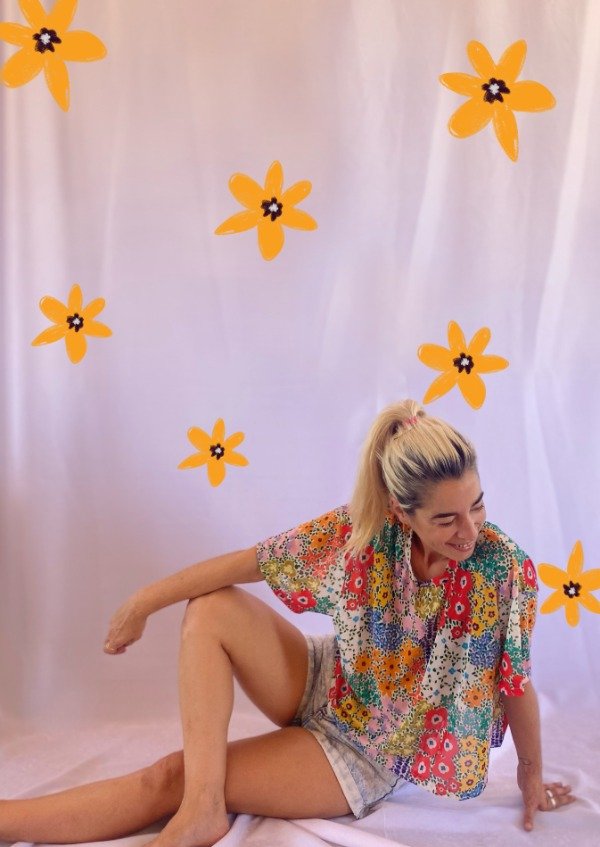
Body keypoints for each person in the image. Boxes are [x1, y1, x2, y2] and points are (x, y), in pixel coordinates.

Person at [0, 400, 576, 847]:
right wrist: (143, 603)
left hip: (371, 749)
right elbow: (250, 562)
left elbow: (514, 681)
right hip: (330, 677)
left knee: (169, 777)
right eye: (447, 518)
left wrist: (530, 774)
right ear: (401, 512)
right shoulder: (364, 530)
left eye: (477, 504)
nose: (470, 531)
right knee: (212, 606)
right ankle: (203, 803)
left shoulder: (502, 570)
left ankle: (193, 807)